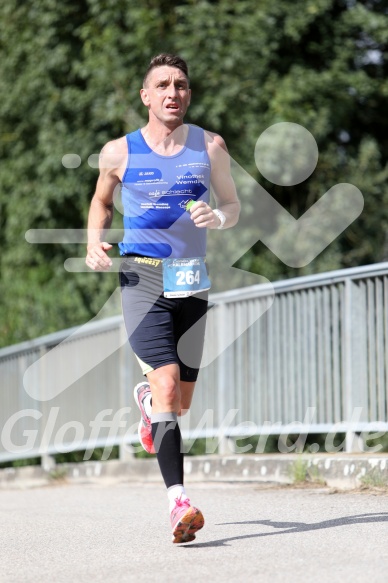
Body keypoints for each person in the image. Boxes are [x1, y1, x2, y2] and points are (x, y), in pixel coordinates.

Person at [85, 53, 240, 543]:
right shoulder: (119, 152)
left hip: (192, 281)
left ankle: (149, 402)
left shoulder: (210, 147)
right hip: (142, 277)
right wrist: (94, 240)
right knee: (171, 388)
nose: (173, 92)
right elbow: (101, 202)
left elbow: (232, 204)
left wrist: (219, 218)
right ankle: (178, 502)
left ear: (188, 94)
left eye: (181, 85)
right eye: (163, 85)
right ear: (146, 96)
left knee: (180, 402)